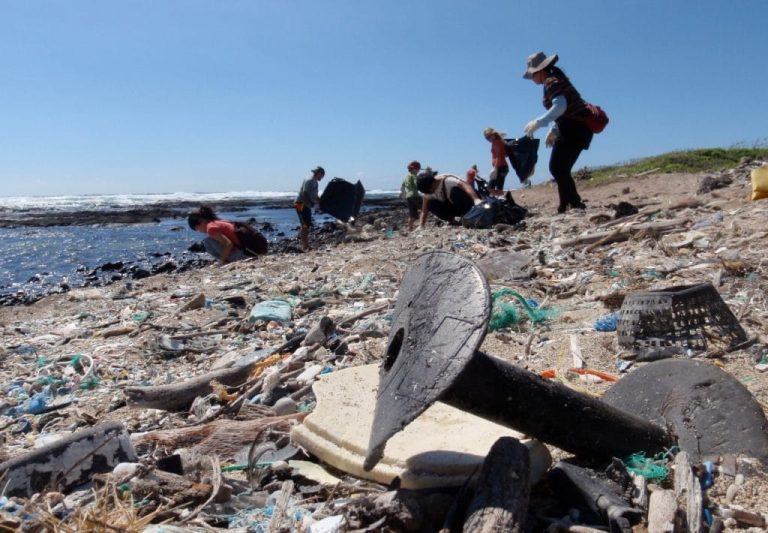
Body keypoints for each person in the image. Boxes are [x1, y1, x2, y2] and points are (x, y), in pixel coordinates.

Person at [523, 51, 591, 214]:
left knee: (558, 168)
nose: (532, 78)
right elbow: (566, 110)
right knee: (560, 168)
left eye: (532, 74)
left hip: (574, 128)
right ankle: (567, 205)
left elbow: (561, 106)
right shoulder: (555, 79)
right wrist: (554, 129)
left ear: (540, 71)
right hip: (577, 127)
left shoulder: (551, 81)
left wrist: (540, 122)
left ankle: (573, 204)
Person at [417, 168, 482, 228]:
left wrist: (476, 200)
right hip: (453, 207)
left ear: (433, 182)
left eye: (430, 190)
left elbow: (466, 186)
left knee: (455, 191)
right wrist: (421, 225)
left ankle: (468, 216)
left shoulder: (448, 180)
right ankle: (454, 221)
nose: (430, 192)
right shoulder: (428, 192)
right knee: (430, 204)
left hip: (467, 203)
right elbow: (424, 210)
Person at [295, 166, 325, 251]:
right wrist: (311, 203)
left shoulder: (315, 182)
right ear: (319, 173)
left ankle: (306, 245)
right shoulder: (310, 180)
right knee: (304, 225)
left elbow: (315, 196)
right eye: (322, 175)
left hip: (306, 205)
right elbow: (305, 193)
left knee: (306, 225)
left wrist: (321, 202)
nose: (322, 177)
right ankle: (305, 246)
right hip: (301, 203)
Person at [483, 128, 509, 197]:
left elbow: (498, 156)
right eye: (486, 138)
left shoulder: (495, 142)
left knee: (490, 188)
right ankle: (503, 200)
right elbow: (505, 154)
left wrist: (495, 168)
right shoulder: (500, 141)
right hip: (504, 168)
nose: (488, 139)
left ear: (493, 134)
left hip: (500, 168)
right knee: (499, 189)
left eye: (489, 136)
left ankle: (500, 200)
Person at [402, 160, 422, 232]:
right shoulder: (414, 176)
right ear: (414, 169)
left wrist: (403, 195)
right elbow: (416, 184)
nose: (418, 171)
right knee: (425, 208)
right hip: (415, 195)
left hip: (408, 197)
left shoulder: (406, 177)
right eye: (418, 169)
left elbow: (402, 187)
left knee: (412, 214)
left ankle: (410, 229)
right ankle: (421, 225)